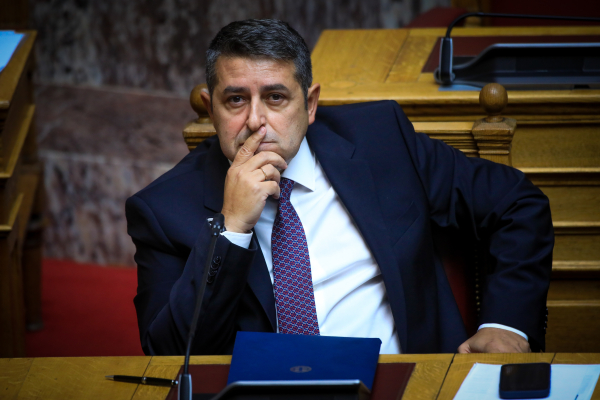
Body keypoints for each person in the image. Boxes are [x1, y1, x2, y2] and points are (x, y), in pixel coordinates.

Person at [126, 19, 553, 356]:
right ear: (211, 108)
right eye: (236, 100)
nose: (255, 121)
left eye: (275, 98)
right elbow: (170, 356)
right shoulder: (164, 209)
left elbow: (516, 203)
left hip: (408, 382)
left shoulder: (381, 140)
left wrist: (507, 325)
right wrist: (231, 228)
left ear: (310, 104)